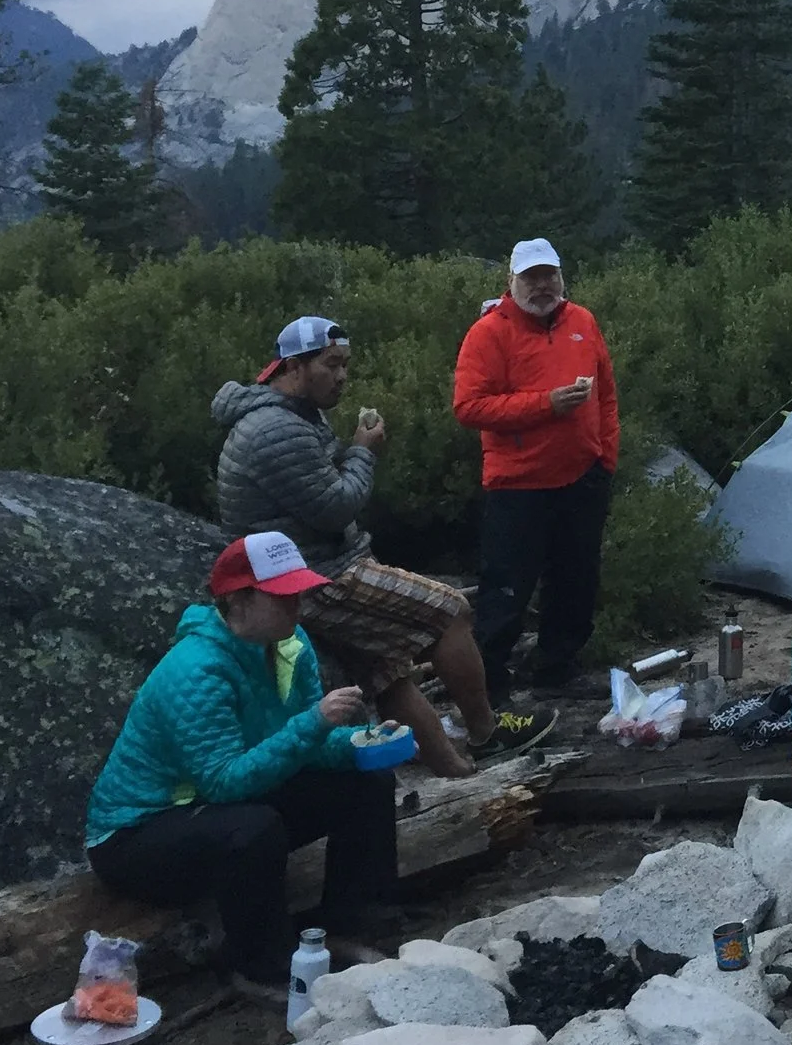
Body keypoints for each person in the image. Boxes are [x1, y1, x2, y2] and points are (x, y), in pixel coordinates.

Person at [214, 318, 546, 776]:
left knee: (386, 672)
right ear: (293, 366)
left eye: (345, 365)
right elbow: (335, 506)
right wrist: (363, 450)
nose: (343, 376)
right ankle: (487, 733)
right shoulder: (275, 429)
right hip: (316, 576)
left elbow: (323, 486)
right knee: (451, 611)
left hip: (302, 572)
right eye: (332, 365)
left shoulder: (292, 414)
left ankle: (453, 770)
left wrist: (349, 454)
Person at [86, 532, 393, 999]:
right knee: (253, 828)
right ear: (239, 600)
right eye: (282, 595)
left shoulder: (290, 646)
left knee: (366, 780)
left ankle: (347, 924)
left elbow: (308, 747)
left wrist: (362, 742)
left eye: (299, 592)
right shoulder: (196, 669)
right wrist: (314, 723)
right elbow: (225, 782)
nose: (297, 605)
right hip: (137, 834)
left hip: (214, 801)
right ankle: (260, 966)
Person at [456, 238, 621, 699]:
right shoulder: (488, 333)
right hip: (518, 483)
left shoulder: (582, 321)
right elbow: (469, 407)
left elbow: (606, 394)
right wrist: (546, 405)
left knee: (576, 580)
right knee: (507, 587)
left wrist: (605, 455)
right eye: (531, 277)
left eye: (549, 275)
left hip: (583, 477)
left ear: (561, 277)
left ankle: (556, 670)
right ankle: (489, 686)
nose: (542, 285)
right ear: (512, 282)